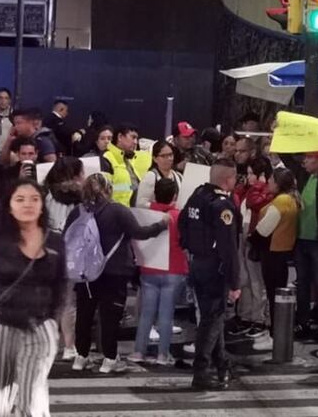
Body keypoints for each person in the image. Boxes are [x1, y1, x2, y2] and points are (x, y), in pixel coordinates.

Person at [0, 180, 65, 416]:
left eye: (34, 199)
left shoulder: (55, 241)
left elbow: (62, 284)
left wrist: (54, 320)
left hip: (40, 328)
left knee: (31, 402)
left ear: (42, 205)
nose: (27, 205)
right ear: (9, 206)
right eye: (20, 199)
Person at [65, 173, 168, 373]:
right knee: (110, 316)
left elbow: (67, 237)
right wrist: (161, 225)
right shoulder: (117, 211)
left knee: (85, 315)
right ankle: (110, 359)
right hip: (114, 271)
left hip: (86, 272)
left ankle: (81, 356)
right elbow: (140, 233)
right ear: (108, 189)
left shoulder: (78, 212)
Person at [179, 160, 241, 391]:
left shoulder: (197, 196)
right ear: (228, 180)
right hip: (215, 268)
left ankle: (222, 364)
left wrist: (186, 247)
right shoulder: (222, 205)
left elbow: (183, 222)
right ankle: (201, 371)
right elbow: (228, 248)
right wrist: (235, 282)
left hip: (197, 264)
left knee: (212, 318)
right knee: (211, 320)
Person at [131, 179, 189, 366]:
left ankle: (139, 351)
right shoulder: (179, 216)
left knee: (146, 313)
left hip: (149, 267)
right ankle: (163, 354)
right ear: (175, 196)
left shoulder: (146, 214)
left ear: (155, 194)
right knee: (166, 314)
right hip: (174, 269)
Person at [285, 151, 318, 342]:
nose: (304, 162)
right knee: (302, 283)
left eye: (309, 158)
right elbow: (287, 158)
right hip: (301, 239)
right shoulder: (303, 176)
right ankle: (303, 322)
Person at [43, 157, 85, 361]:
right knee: (69, 302)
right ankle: (69, 347)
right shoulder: (81, 199)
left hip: (47, 250)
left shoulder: (45, 194)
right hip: (71, 253)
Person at [230, 156, 274, 341]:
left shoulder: (267, 191)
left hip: (256, 238)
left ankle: (259, 319)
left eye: (251, 174)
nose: (248, 177)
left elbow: (254, 203)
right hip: (243, 234)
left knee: (257, 281)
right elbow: (237, 196)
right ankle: (246, 316)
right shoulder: (248, 188)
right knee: (245, 279)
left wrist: (257, 185)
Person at [256, 169, 300, 320]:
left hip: (273, 251)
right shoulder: (290, 199)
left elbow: (263, 229)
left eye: (271, 179)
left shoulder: (282, 201)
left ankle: (275, 332)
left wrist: (251, 237)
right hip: (281, 251)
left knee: (273, 292)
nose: (268, 181)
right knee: (277, 292)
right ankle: (276, 329)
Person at [104, 124, 151, 206]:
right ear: (120, 137)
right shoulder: (106, 158)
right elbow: (105, 189)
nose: (136, 142)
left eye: (137, 139)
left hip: (129, 212)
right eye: (133, 137)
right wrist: (133, 187)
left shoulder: (128, 160)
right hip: (114, 213)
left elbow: (131, 186)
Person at [135, 140, 182, 209]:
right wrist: (163, 207)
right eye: (163, 156)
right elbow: (140, 204)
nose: (169, 158)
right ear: (155, 159)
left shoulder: (178, 176)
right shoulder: (150, 177)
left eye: (170, 155)